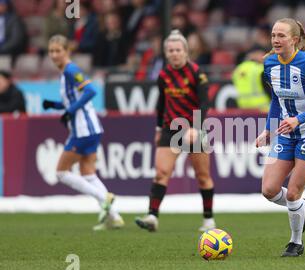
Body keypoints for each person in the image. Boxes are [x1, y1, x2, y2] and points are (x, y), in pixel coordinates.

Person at [255, 18, 305, 257]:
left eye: (281, 36)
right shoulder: (269, 64)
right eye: (273, 35)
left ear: (295, 40)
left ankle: (295, 242)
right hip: (286, 134)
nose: (276, 40)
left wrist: (299, 119)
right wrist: (269, 129)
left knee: (291, 192)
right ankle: (301, 207)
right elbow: (277, 102)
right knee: (268, 190)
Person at [135, 30, 215, 232]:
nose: (174, 53)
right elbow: (161, 104)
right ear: (166, 53)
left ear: (186, 52)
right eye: (171, 50)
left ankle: (208, 219)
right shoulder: (163, 75)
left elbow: (205, 104)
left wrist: (196, 128)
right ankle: (152, 216)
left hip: (194, 129)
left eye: (178, 50)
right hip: (171, 130)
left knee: (202, 175)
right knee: (161, 172)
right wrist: (158, 128)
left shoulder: (197, 74)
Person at [42, 35, 124, 231]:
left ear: (67, 51)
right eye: (51, 51)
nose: (54, 55)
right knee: (88, 173)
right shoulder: (65, 73)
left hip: (83, 129)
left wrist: (70, 111)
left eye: (58, 51)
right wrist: (55, 105)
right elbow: (74, 99)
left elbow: (91, 91)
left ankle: (104, 198)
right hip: (90, 128)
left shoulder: (70, 70)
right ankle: (114, 217)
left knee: (62, 172)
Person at [232, 46, 270, 111]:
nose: (265, 57)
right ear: (255, 54)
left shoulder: (237, 69)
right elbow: (268, 88)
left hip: (243, 107)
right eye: (262, 54)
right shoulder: (260, 69)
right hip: (261, 108)